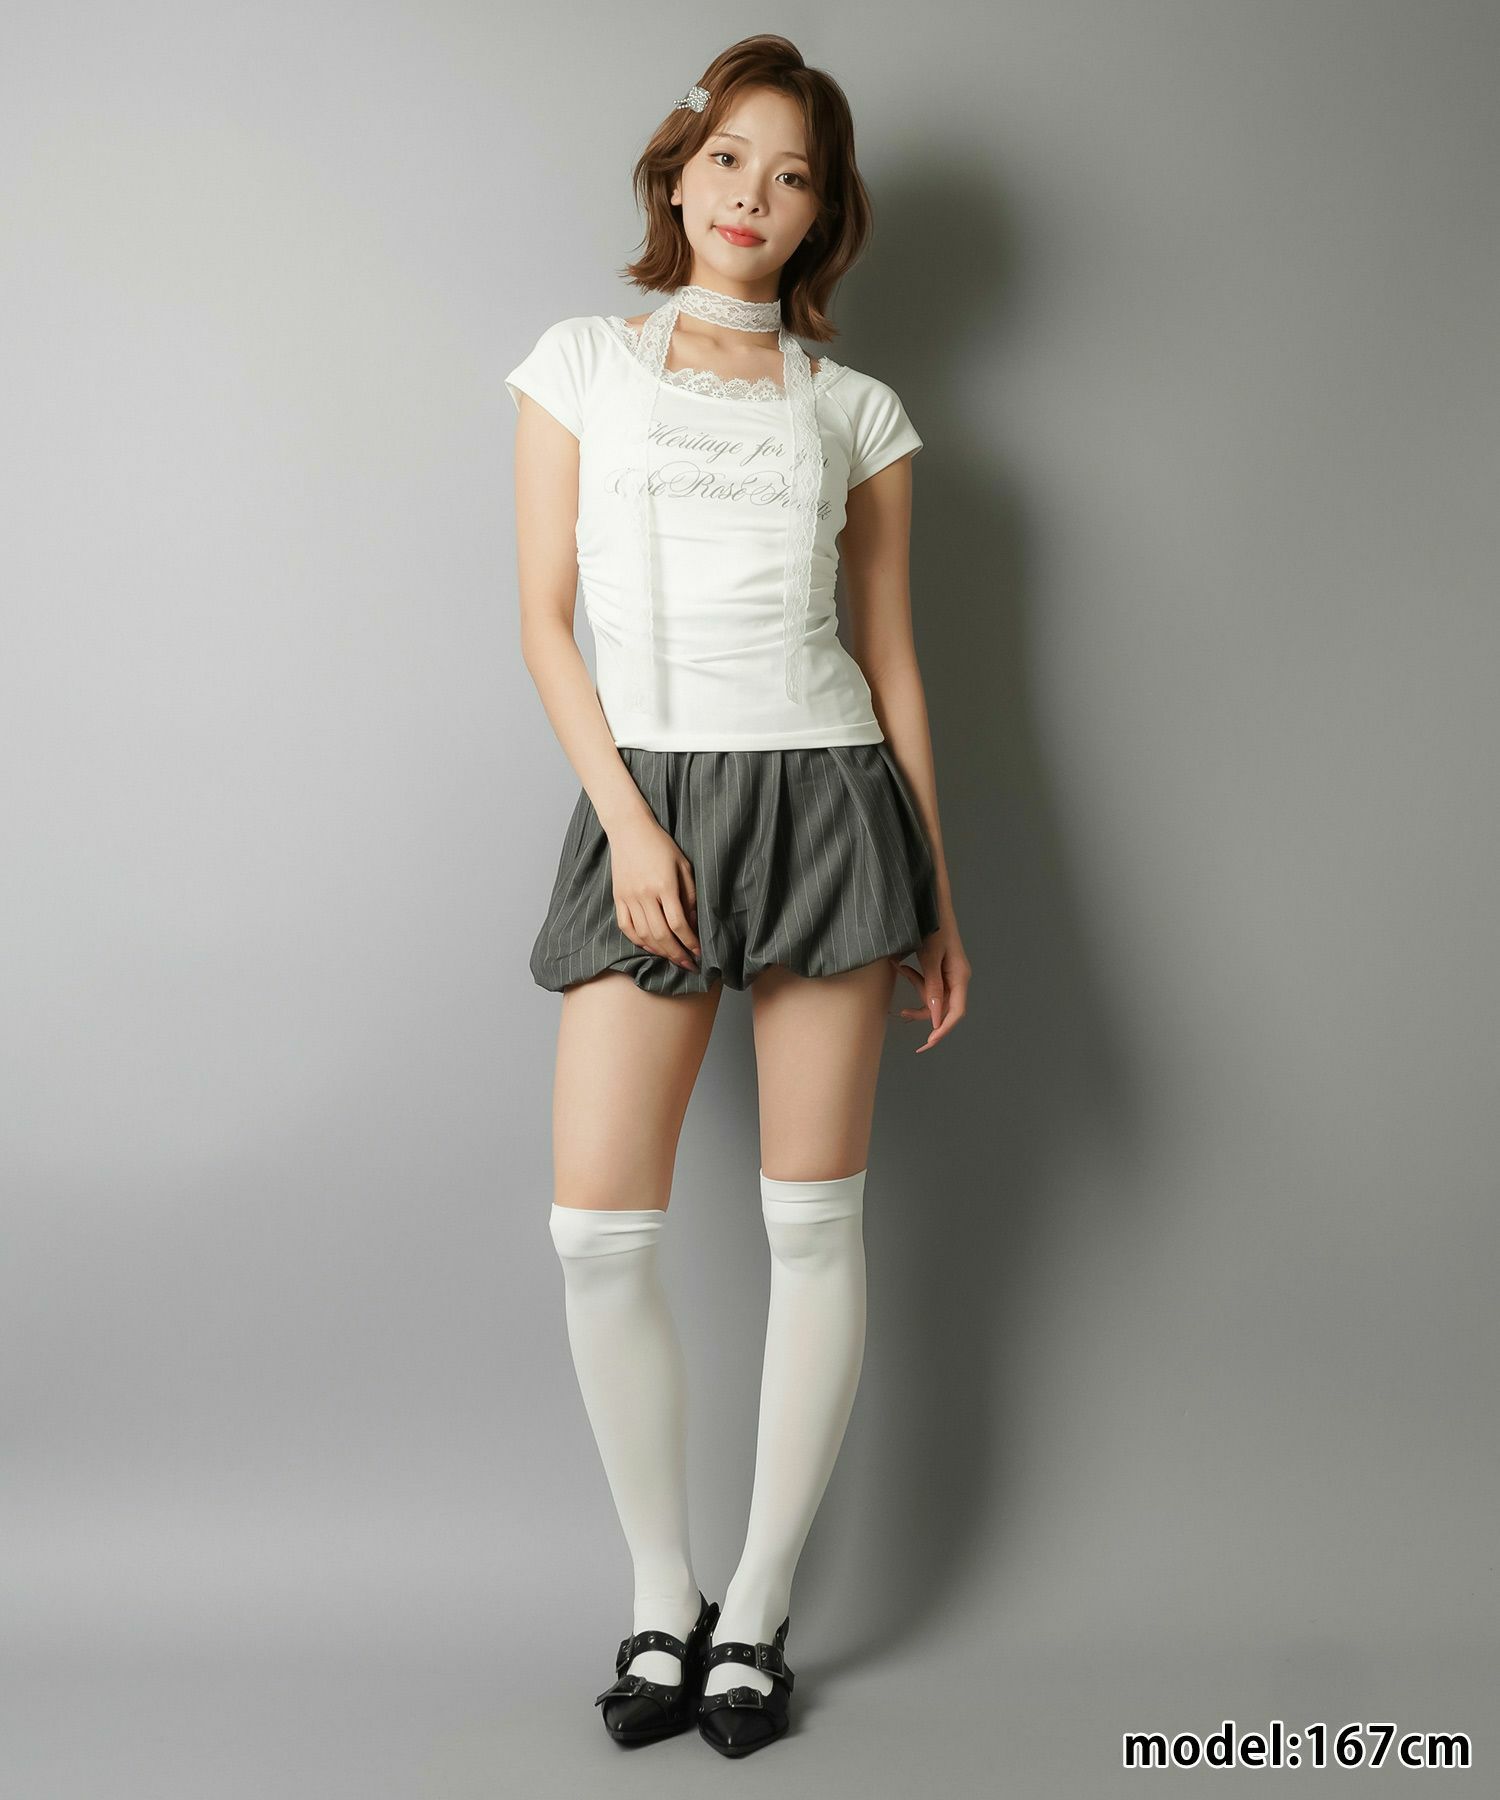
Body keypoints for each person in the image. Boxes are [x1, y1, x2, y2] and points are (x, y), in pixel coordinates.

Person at [505, 34, 971, 1758]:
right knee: (596, 1231)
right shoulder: (579, 364)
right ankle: (661, 1591)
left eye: (791, 177)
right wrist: (630, 829)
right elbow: (544, 622)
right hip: (650, 802)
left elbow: (893, 666)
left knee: (812, 1226)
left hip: (831, 801)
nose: (752, 197)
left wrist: (935, 893)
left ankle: (756, 1610)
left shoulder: (860, 412)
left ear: (822, 214)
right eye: (728, 160)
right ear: (679, 169)